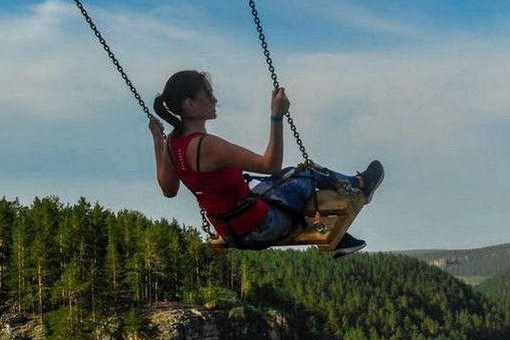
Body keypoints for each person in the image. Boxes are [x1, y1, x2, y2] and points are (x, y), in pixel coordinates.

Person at [149, 70, 382, 255]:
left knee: (287, 177)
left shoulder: (173, 143)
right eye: (208, 95)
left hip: (230, 230)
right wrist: (276, 115)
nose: (214, 99)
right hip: (260, 228)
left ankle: (342, 238)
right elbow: (270, 164)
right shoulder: (208, 146)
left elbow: (169, 190)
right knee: (306, 173)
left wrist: (158, 143)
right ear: (189, 105)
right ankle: (360, 184)